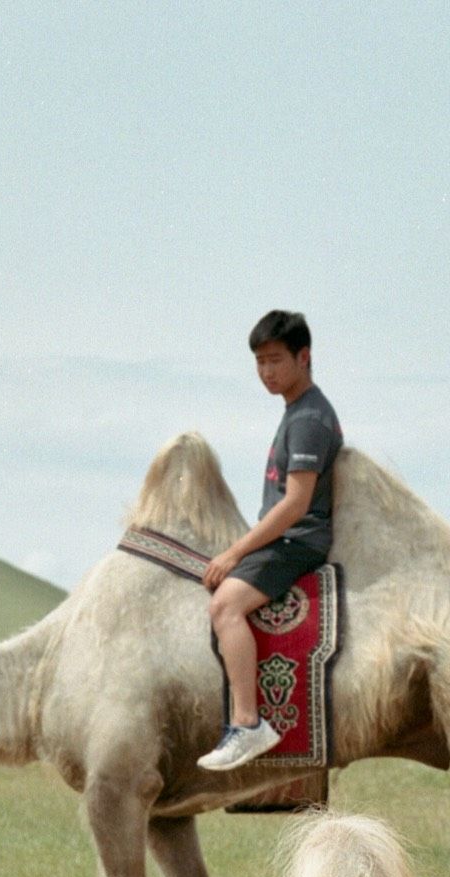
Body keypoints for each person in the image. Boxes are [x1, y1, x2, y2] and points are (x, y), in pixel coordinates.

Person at [197, 309, 344, 772]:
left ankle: (247, 723)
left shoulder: (309, 420)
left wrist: (236, 551)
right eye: (259, 362)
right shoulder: (297, 412)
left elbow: (296, 503)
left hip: (298, 540)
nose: (267, 372)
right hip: (286, 536)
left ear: (305, 357)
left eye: (276, 360)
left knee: (225, 606)